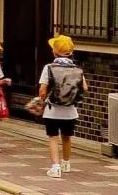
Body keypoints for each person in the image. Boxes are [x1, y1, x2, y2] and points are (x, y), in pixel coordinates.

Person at [39, 35, 88, 178]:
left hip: (52, 110)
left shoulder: (49, 68)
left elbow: (43, 90)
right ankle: (66, 163)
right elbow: (84, 87)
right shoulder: (76, 69)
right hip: (70, 111)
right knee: (67, 137)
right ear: (71, 53)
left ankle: (55, 167)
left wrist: (41, 98)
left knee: (53, 137)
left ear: (54, 52)